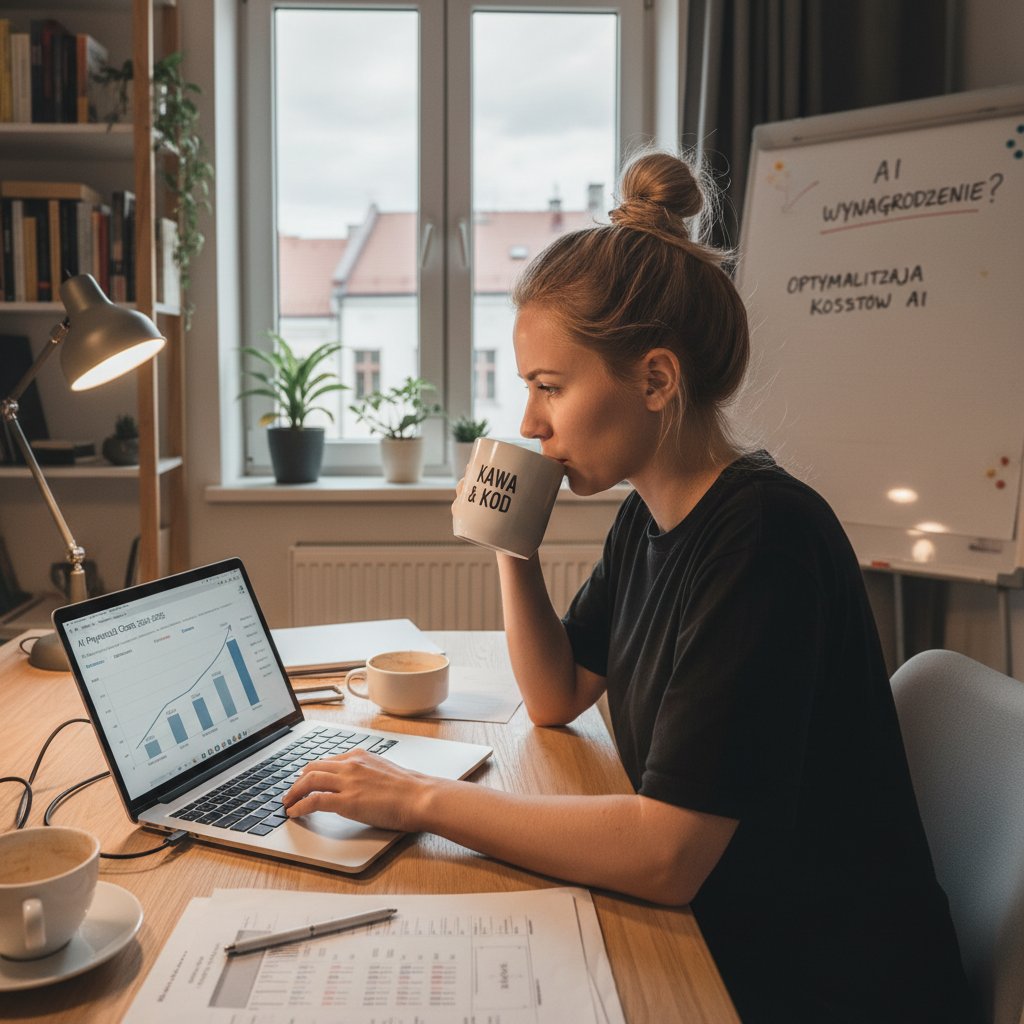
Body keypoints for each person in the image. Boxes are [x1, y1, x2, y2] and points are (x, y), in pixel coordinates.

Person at [282, 150, 976, 1023]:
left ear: (655, 379)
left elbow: (666, 854)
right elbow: (555, 694)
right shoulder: (649, 517)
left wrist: (419, 799)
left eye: (549, 388)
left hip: (817, 982)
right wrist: (512, 543)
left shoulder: (764, 540)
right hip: (724, 932)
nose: (529, 422)